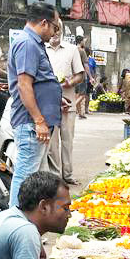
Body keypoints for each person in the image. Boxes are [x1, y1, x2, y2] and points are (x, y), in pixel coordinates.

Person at [7, 3, 62, 207]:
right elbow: (24, 85)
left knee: (32, 179)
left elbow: (38, 82)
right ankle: (15, 226)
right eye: (55, 28)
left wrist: (55, 100)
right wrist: (39, 120)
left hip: (38, 122)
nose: (55, 33)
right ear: (44, 23)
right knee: (24, 179)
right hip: (31, 123)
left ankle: (26, 225)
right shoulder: (27, 44)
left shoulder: (33, 43)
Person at [45, 26, 84, 188]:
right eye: (52, 31)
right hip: (48, 101)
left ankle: (67, 174)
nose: (55, 34)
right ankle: (55, 177)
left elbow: (80, 75)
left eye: (58, 31)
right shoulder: (42, 48)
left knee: (67, 140)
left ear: (62, 32)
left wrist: (69, 83)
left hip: (68, 101)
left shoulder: (72, 49)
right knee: (52, 143)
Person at [74, 36, 89, 118]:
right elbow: (86, 65)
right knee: (82, 95)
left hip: (74, 75)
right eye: (83, 41)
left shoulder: (73, 50)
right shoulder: (82, 51)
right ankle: (72, 107)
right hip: (81, 75)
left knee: (77, 94)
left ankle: (80, 114)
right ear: (81, 41)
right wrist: (91, 76)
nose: (84, 43)